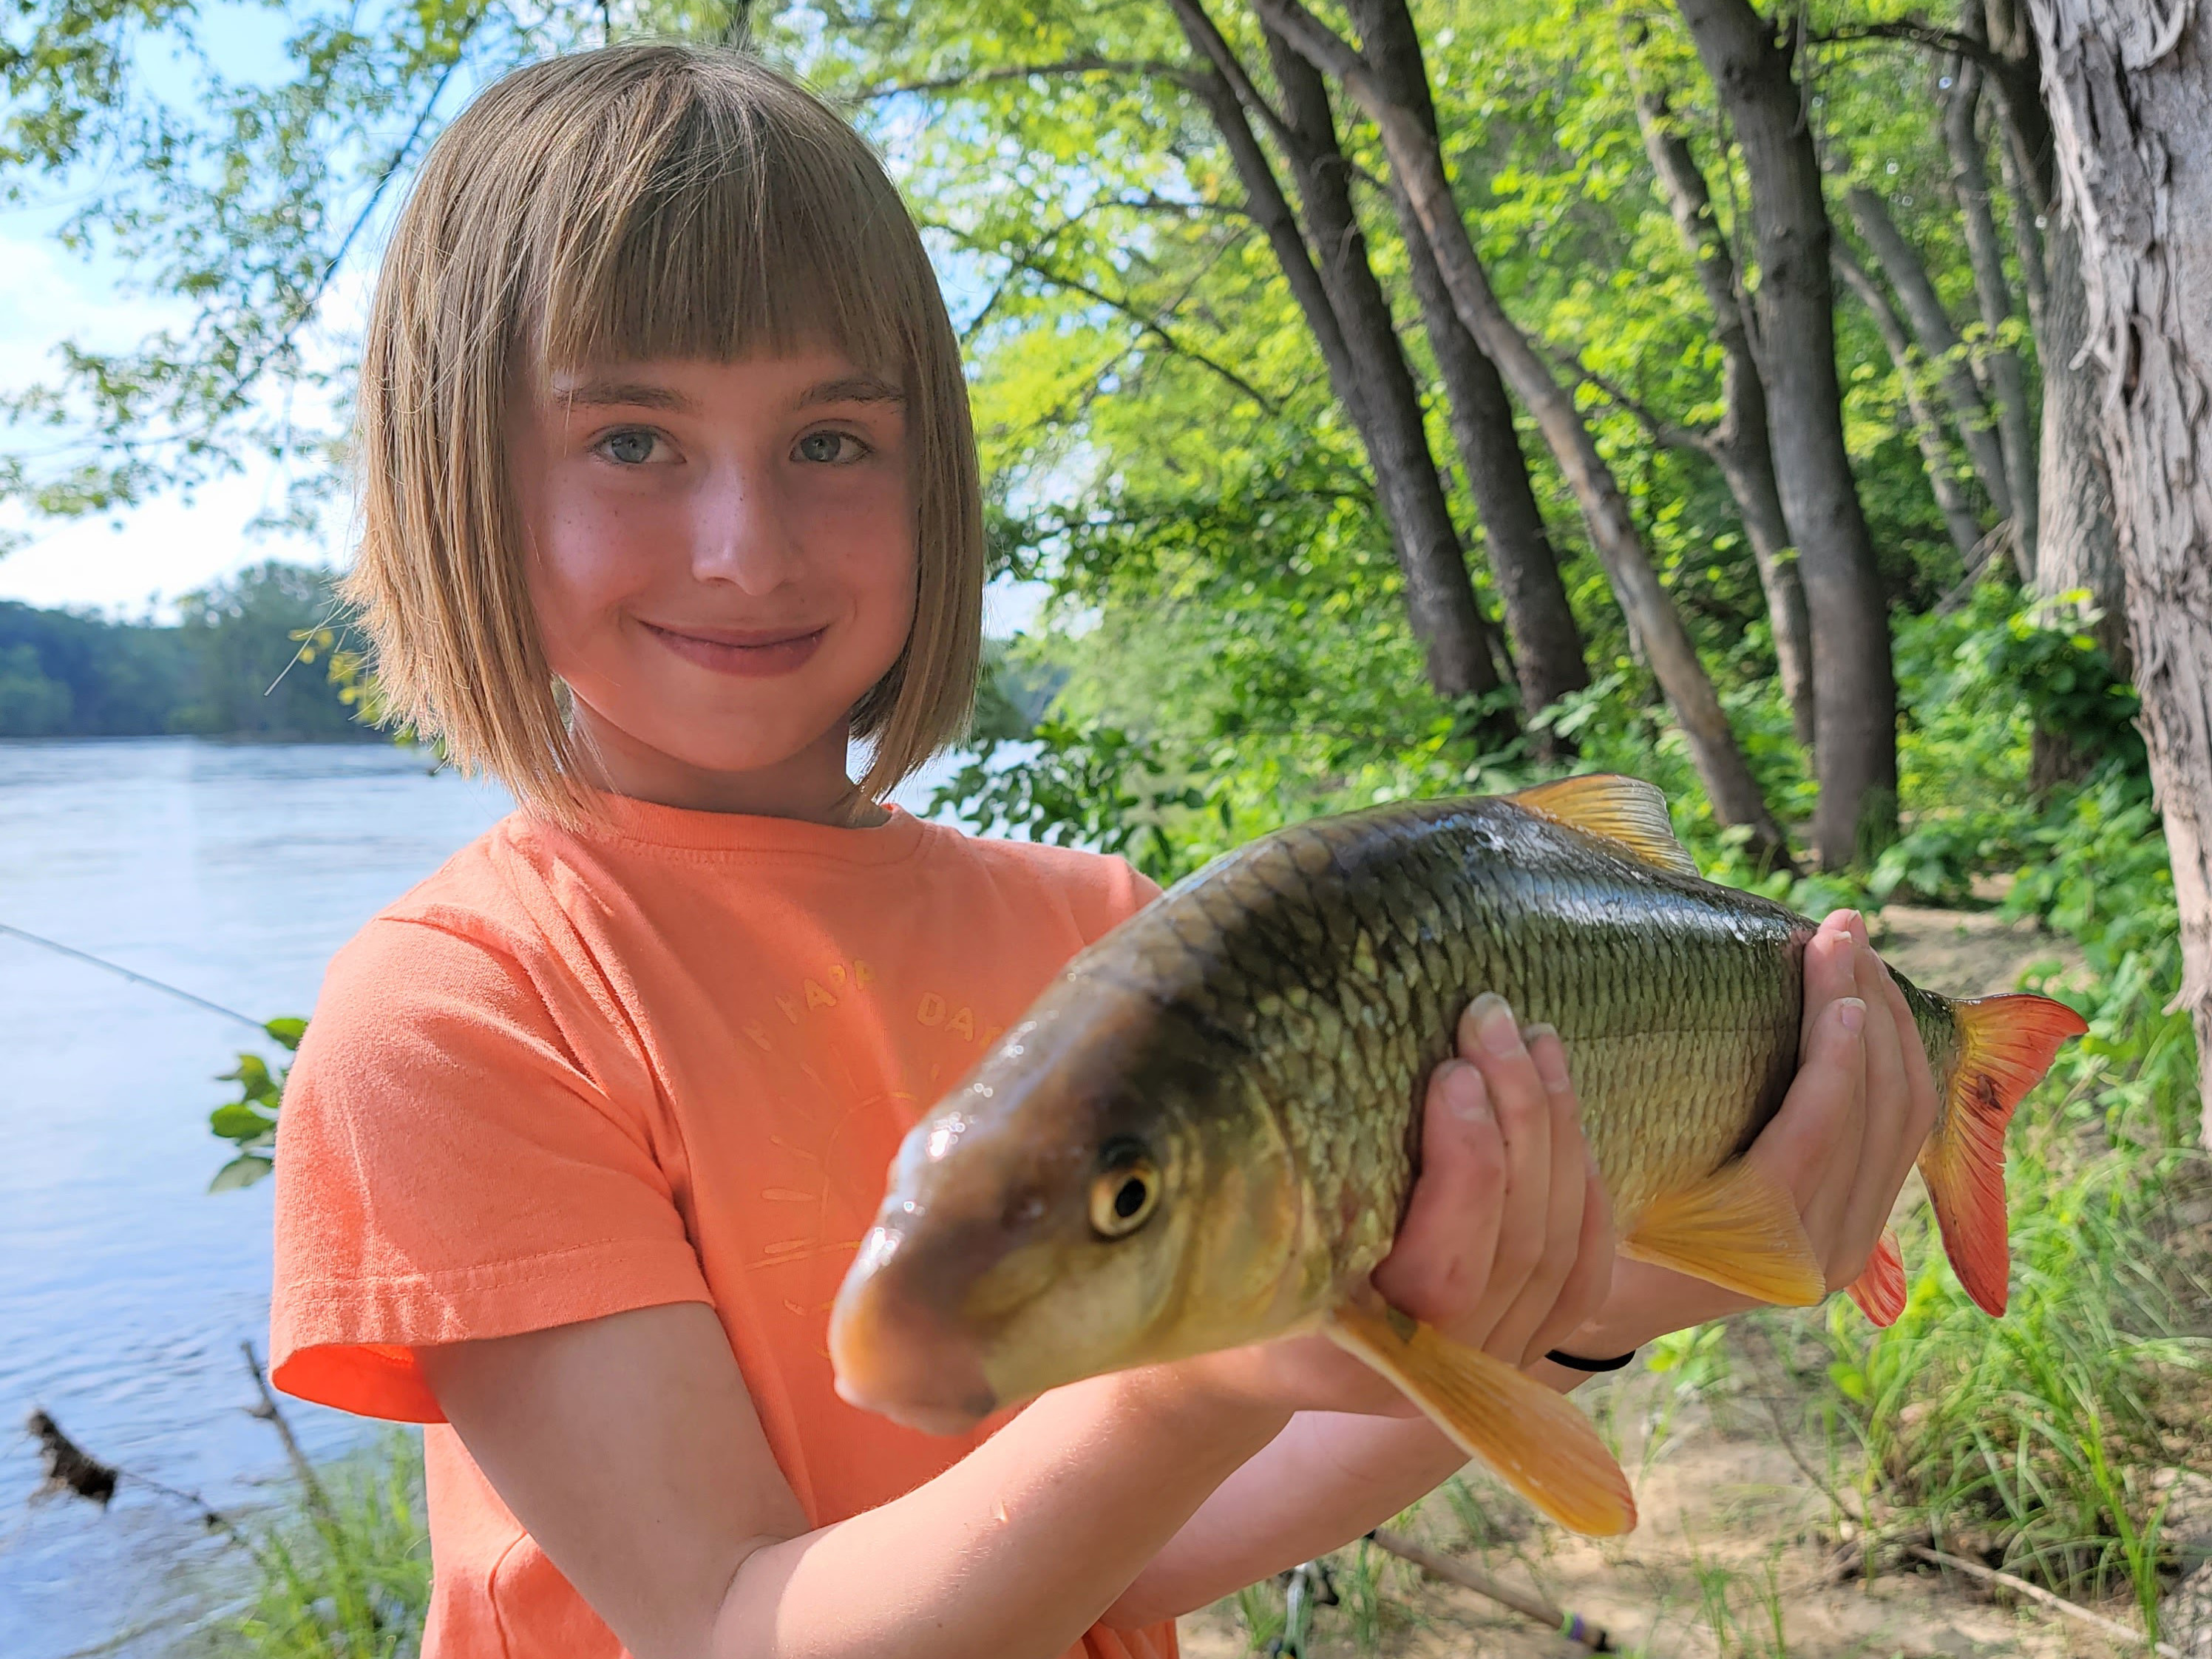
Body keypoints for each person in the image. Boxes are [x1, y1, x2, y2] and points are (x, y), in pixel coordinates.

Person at [268, 41, 1939, 1659]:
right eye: (632, 441)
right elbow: (724, 1627)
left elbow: (1159, 1531)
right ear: (454, 488)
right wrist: (1193, 1382)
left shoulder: (1110, 940)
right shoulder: (452, 1020)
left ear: (936, 473)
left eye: (830, 442)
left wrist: (1592, 1310)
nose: (744, 547)